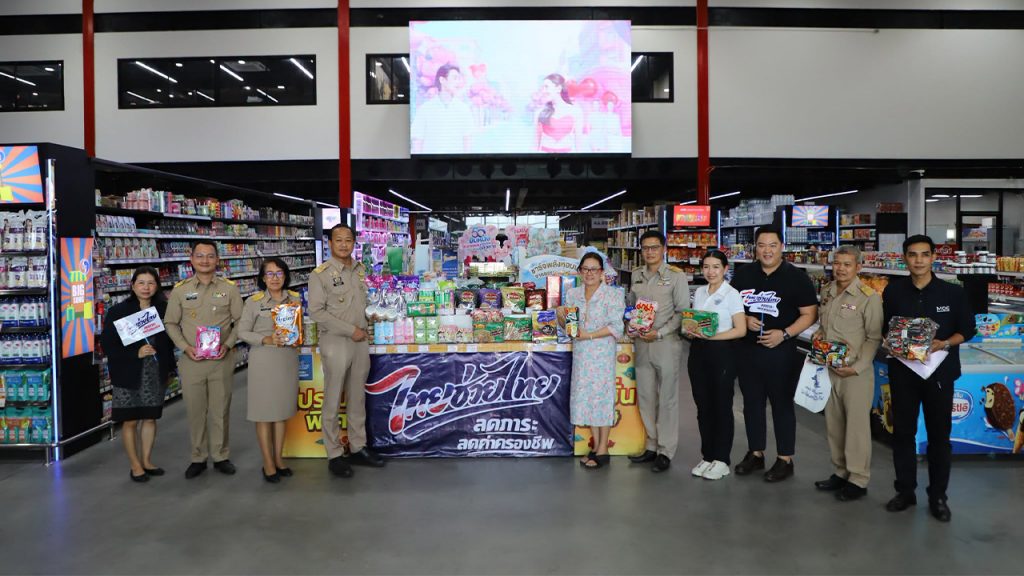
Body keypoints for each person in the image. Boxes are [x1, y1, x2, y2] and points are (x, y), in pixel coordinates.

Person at [882, 235, 975, 522]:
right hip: (903, 373)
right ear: (905, 259)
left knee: (939, 437)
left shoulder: (953, 293)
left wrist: (944, 343)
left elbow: (968, 330)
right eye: (912, 255)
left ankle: (938, 496)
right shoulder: (893, 292)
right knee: (902, 434)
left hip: (939, 374)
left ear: (934, 257)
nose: (919, 260)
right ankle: (905, 491)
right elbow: (885, 327)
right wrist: (889, 342)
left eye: (924, 254)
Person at [731, 225, 818, 482]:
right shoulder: (743, 275)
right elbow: (732, 308)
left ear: (782, 247)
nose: (767, 251)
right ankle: (755, 453)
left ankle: (784, 459)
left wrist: (785, 333)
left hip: (781, 353)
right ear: (755, 248)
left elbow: (809, 314)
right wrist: (744, 319)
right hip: (748, 350)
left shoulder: (797, 277)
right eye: (762, 245)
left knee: (781, 404)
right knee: (752, 403)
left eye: (772, 245)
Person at [308, 224, 385, 478]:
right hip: (336, 341)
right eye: (338, 240)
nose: (343, 244)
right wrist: (350, 330)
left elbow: (364, 302)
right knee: (332, 399)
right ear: (329, 243)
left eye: (348, 240)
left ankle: (358, 446)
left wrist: (373, 316)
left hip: (360, 341)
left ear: (354, 243)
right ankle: (334, 453)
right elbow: (316, 312)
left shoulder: (360, 270)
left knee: (357, 397)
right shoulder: (320, 274)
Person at [164, 240, 243, 479]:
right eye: (200, 256)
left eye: (210, 256)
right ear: (192, 259)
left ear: (217, 260)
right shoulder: (181, 290)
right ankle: (197, 457)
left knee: (220, 410)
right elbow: (170, 323)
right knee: (195, 411)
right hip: (192, 361)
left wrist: (228, 345)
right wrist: (184, 347)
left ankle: (220, 455)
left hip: (221, 359)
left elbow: (241, 321)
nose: (205, 260)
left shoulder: (229, 289)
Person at [812, 245, 883, 501]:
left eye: (847, 264)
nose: (840, 269)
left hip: (855, 373)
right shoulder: (827, 291)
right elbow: (825, 326)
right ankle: (841, 472)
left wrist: (857, 367)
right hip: (830, 367)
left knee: (856, 427)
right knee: (834, 424)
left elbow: (874, 338)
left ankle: (858, 479)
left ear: (858, 267)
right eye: (837, 263)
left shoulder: (868, 297)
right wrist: (819, 334)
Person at [100, 266, 175, 482]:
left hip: (154, 372)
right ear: (132, 285)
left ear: (157, 286)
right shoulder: (119, 311)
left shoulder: (164, 310)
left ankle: (147, 460)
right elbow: (108, 344)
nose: (146, 287)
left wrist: (169, 367)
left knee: (150, 417)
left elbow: (170, 342)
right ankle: (135, 465)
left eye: (151, 283)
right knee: (130, 420)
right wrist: (136, 353)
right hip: (128, 373)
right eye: (141, 283)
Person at [627, 230, 689, 472]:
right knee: (645, 396)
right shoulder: (636, 275)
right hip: (642, 344)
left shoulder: (676, 276)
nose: (650, 252)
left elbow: (682, 312)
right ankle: (651, 445)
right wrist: (630, 324)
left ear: (664, 249)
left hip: (666, 343)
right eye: (645, 248)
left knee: (667, 399)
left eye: (654, 247)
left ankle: (665, 450)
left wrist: (660, 332)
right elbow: (631, 307)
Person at [558, 253, 625, 469]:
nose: (589, 273)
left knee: (602, 398)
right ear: (579, 272)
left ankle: (603, 449)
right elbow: (572, 329)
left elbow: (617, 327)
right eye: (585, 269)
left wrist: (589, 335)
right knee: (588, 399)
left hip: (601, 353)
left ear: (601, 272)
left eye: (594, 269)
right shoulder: (573, 294)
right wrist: (561, 317)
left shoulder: (613, 295)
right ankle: (596, 446)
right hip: (581, 354)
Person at [684, 251, 747, 481]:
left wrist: (713, 337)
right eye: (706, 267)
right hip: (698, 352)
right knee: (703, 405)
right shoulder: (700, 292)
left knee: (721, 405)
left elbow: (741, 330)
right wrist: (690, 329)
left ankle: (722, 459)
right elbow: (696, 321)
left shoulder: (732, 294)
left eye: (716, 267)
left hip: (722, 353)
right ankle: (708, 455)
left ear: (725, 269)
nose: (711, 272)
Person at [238, 258, 301, 484]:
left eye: (279, 273)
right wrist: (265, 338)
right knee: (264, 414)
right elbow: (242, 331)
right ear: (263, 278)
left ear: (285, 276)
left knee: (281, 412)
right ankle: (268, 463)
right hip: (263, 361)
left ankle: (279, 459)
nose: (275, 278)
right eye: (270, 274)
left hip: (287, 360)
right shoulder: (253, 302)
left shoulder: (294, 298)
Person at [410, 63, 475, 154]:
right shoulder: (425, 109)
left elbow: (467, 140)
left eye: (459, 79)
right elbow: (417, 140)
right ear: (442, 80)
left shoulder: (464, 109)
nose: (458, 82)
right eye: (455, 78)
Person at [535, 73, 584, 153]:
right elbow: (536, 145)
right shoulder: (540, 112)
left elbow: (579, 145)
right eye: (543, 88)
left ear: (558, 88)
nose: (543, 91)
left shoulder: (575, 112)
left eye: (546, 87)